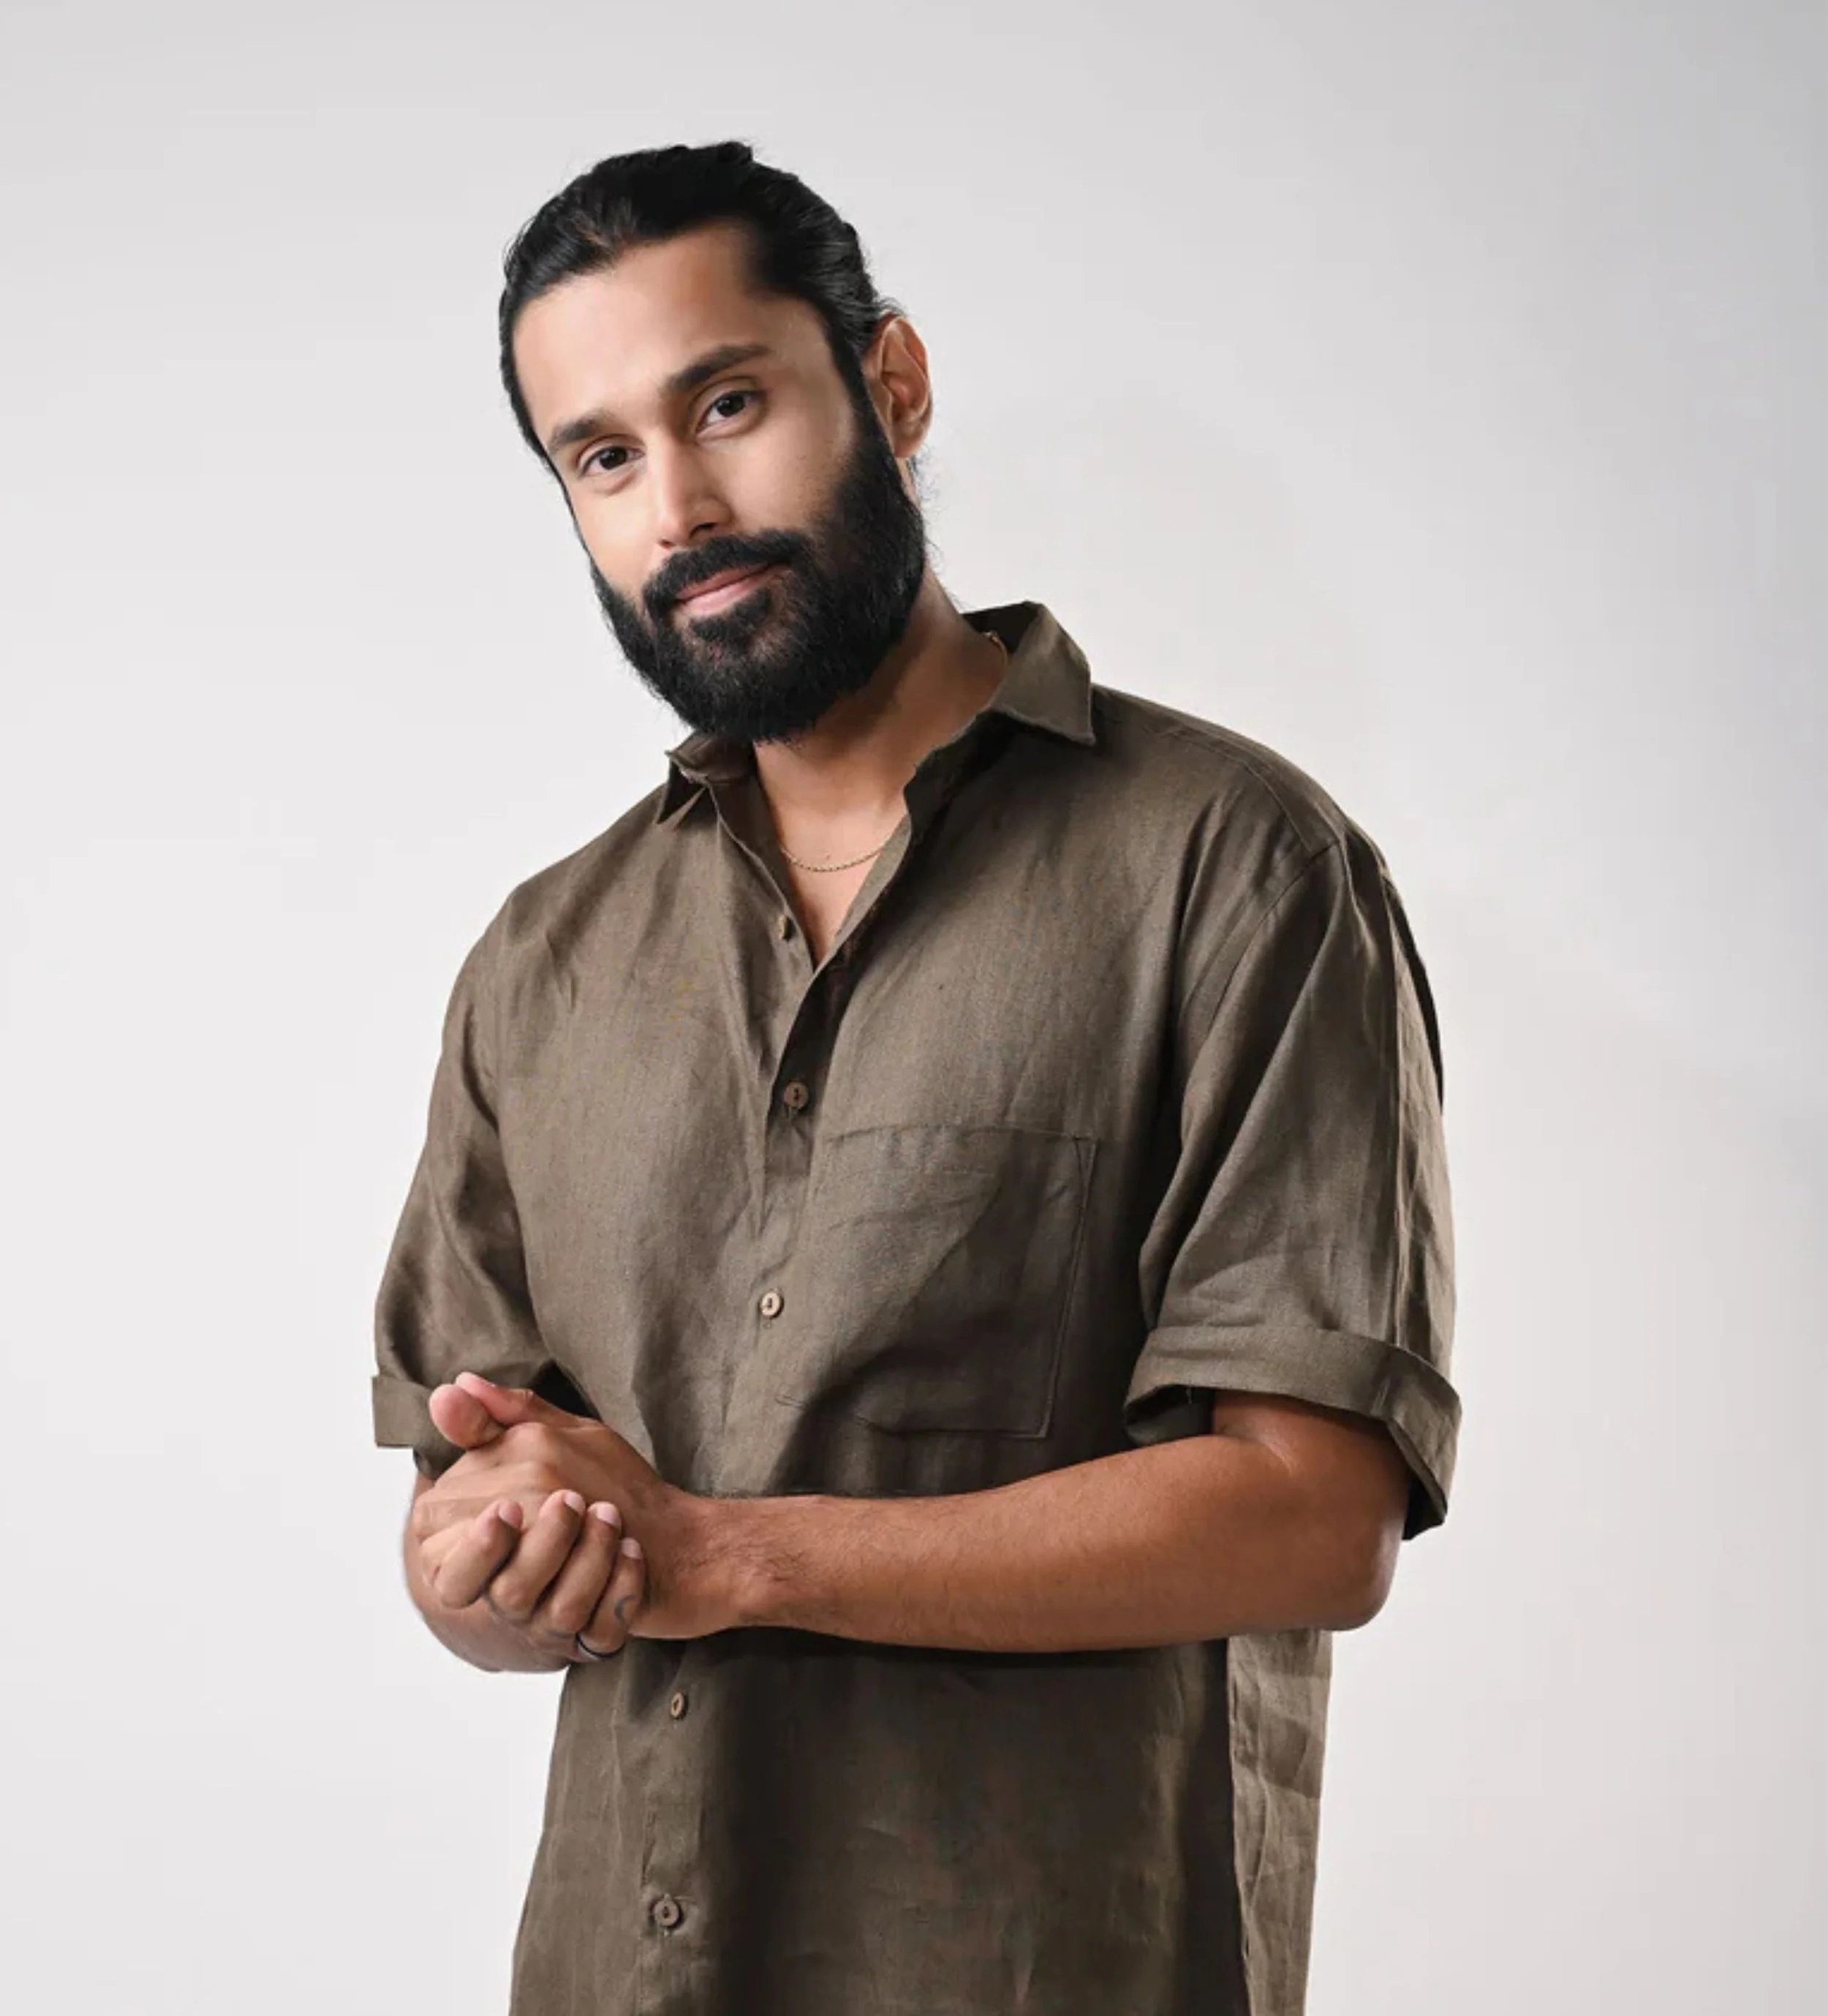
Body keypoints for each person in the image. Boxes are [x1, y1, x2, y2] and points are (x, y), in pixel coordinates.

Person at [371, 139, 1461, 2016]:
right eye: (602, 458)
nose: (679, 507)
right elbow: (463, 1521)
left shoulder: (1232, 867)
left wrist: (722, 1553)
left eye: (727, 404)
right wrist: (492, 1560)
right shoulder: (542, 960)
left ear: (889, 382)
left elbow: (1312, 1513)